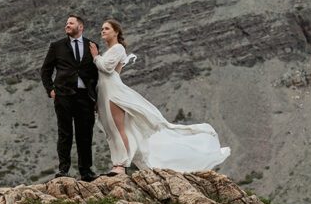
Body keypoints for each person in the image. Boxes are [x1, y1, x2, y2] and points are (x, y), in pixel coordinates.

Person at [89, 19, 230, 175]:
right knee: (111, 130)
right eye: (102, 28)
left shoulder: (118, 48)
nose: (103, 31)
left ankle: (121, 165)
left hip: (113, 92)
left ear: (116, 32)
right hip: (104, 91)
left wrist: (95, 56)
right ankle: (117, 163)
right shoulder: (110, 51)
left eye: (107, 28)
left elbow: (107, 68)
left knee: (118, 128)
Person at [40, 14, 100, 181]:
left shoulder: (92, 46)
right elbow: (45, 70)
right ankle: (63, 170)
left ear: (80, 27)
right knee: (65, 133)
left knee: (85, 134)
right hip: (63, 96)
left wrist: (95, 96)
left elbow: (96, 73)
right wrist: (50, 89)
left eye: (71, 23)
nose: (67, 25)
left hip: (85, 97)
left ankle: (86, 171)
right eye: (66, 23)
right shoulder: (57, 46)